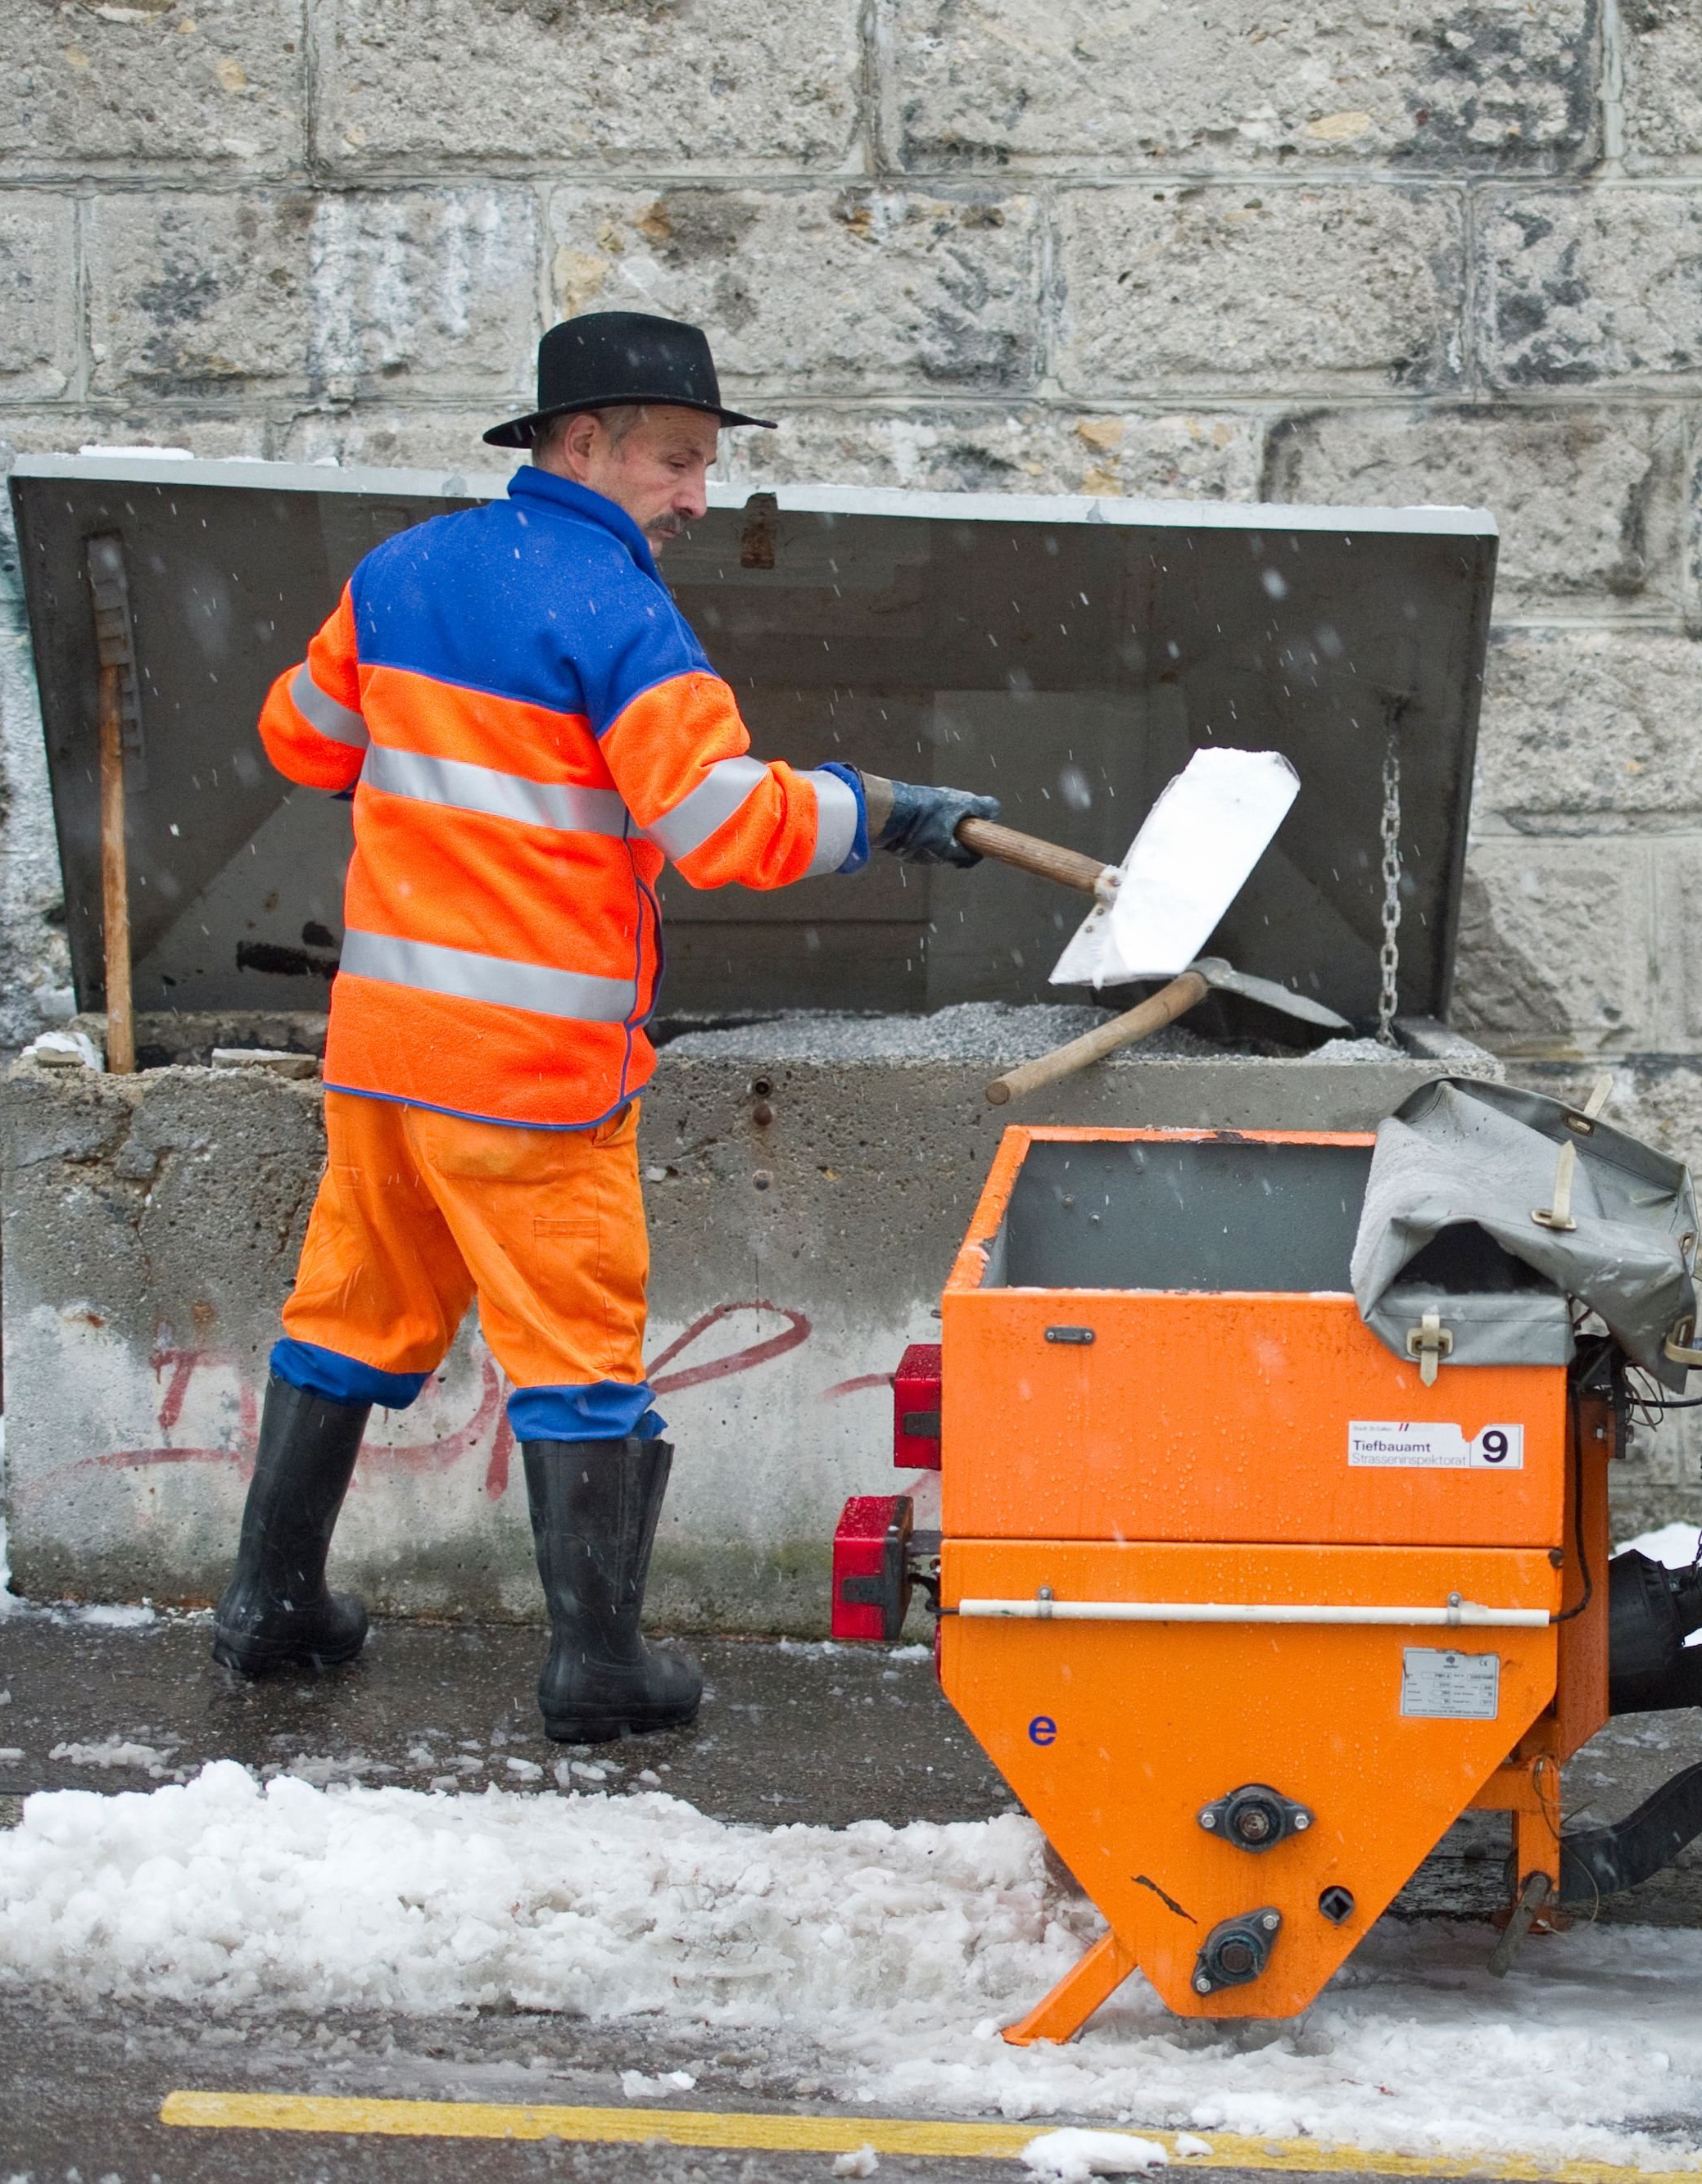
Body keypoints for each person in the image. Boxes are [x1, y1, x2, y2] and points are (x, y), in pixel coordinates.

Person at [212, 311, 1000, 1742]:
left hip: (387, 1055)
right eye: (675, 461)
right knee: (577, 1357)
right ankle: (598, 1665)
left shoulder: (398, 572)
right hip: (529, 1076)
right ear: (581, 445)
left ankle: (270, 1606)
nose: (698, 495)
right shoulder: (622, 616)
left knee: (347, 1314)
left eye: (704, 465)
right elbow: (721, 827)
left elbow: (299, 741)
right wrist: (878, 810)